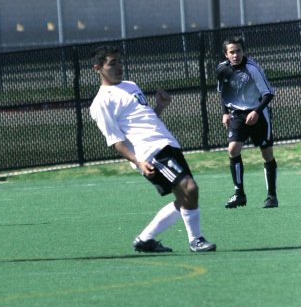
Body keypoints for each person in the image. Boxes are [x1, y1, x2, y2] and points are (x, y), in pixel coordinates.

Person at [90, 46, 216, 253]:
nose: (119, 67)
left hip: (166, 143)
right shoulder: (101, 102)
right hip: (149, 153)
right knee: (190, 189)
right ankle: (196, 240)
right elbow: (115, 141)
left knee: (186, 197)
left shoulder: (130, 85)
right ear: (97, 68)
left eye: (120, 62)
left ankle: (145, 239)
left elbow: (144, 120)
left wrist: (159, 107)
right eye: (112, 64)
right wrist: (138, 161)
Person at [217, 35, 278, 209]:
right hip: (237, 115)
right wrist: (225, 113)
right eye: (232, 52)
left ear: (243, 51)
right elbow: (223, 92)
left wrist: (256, 111)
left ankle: (272, 196)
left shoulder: (252, 68)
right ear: (226, 54)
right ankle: (239, 194)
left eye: (238, 51)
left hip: (258, 114)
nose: (236, 55)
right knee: (233, 149)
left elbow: (268, 93)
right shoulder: (222, 69)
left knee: (266, 154)